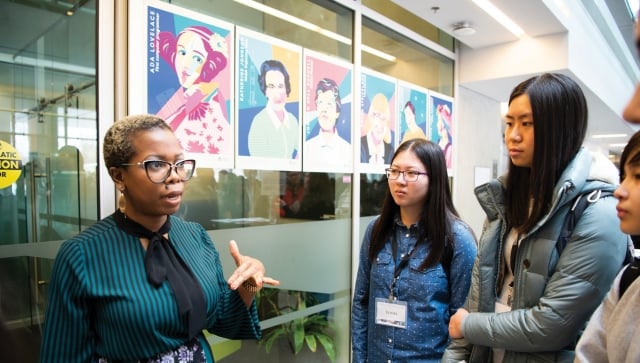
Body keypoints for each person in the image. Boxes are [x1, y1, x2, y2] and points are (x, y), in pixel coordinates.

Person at [39, 114, 279, 362]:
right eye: (156, 165)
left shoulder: (194, 236)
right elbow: (62, 355)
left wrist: (248, 284)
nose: (174, 175)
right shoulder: (81, 255)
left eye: (179, 163)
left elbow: (221, 320)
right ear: (119, 177)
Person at [443, 73, 629, 363]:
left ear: (560, 128)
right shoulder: (505, 200)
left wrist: (468, 326)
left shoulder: (599, 212)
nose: (513, 135)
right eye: (509, 123)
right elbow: (476, 298)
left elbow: (552, 324)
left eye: (527, 124)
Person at [351, 138, 477, 362]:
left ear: (435, 178)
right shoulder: (376, 230)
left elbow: (462, 320)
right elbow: (361, 302)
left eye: (411, 173)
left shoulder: (457, 239)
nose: (400, 180)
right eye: (395, 171)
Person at [573, 17, 640, 361]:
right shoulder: (631, 280)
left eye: (638, 176)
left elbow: (556, 318)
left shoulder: (594, 213)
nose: (630, 109)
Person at [156, 26, 231, 155]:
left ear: (209, 64)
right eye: (182, 53)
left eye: (197, 59)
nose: (186, 64)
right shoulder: (181, 100)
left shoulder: (211, 105)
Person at [248, 59, 299, 159]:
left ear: (286, 89)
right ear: (265, 91)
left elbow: (301, 151)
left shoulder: (292, 120)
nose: (277, 93)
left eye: (280, 86)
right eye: (271, 86)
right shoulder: (259, 122)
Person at [304, 78, 351, 165]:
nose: (324, 109)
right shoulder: (306, 148)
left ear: (337, 112)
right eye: (320, 103)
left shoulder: (348, 150)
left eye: (329, 104)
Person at [360, 93, 393, 165]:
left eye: (383, 119)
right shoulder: (360, 145)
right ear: (371, 119)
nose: (380, 124)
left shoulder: (390, 150)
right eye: (377, 117)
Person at [435, 103, 452, 168]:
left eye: (440, 121)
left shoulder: (450, 149)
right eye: (438, 120)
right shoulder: (437, 145)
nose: (438, 124)